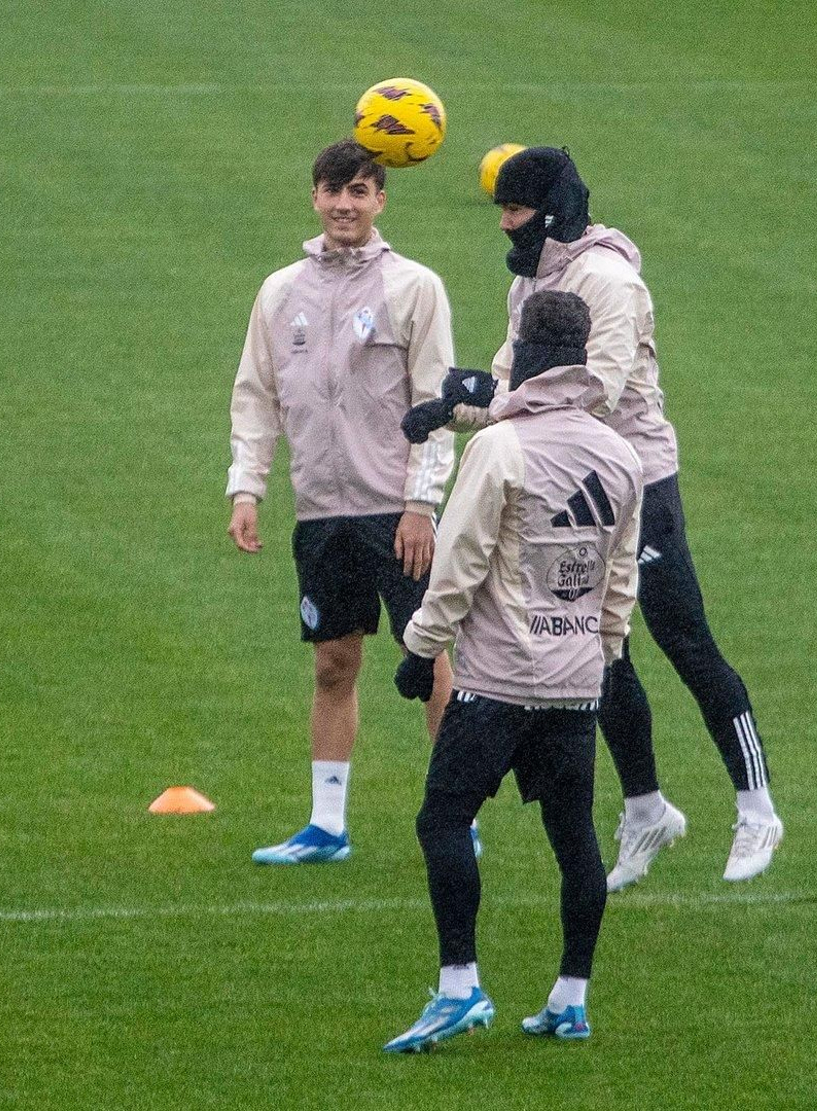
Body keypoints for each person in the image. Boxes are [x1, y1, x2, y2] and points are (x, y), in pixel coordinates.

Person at [447, 147, 781, 887]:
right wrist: (451, 405)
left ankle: (757, 806)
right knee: (605, 650)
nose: (505, 224)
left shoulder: (610, 282)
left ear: (553, 209)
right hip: (562, 476)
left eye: (515, 210)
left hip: (637, 480)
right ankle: (646, 807)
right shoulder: (535, 279)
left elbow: (590, 389)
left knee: (684, 638)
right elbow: (511, 375)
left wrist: (482, 399)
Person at [383, 291, 642, 1053]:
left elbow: (459, 566)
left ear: (527, 347)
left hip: (497, 681)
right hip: (574, 680)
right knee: (575, 838)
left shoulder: (500, 448)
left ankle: (460, 984)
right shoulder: (620, 452)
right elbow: (619, 579)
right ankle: (571, 996)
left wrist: (421, 648)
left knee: (442, 817)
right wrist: (606, 655)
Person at [227, 139, 456, 864]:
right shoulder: (278, 291)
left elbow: (439, 402)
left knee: (429, 656)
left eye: (359, 191)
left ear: (381, 200)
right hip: (321, 512)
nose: (345, 205)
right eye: (333, 191)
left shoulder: (414, 286)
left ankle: (455, 811)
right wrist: (247, 486)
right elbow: (257, 396)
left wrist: (422, 501)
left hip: (397, 510)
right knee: (332, 662)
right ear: (314, 198)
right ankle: (328, 825)